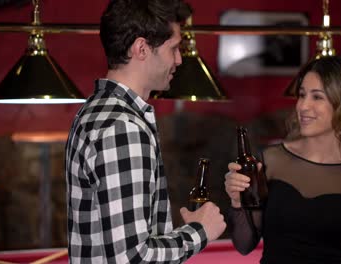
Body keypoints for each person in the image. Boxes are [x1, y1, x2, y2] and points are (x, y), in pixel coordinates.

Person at [65, 0, 226, 263]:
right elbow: (132, 257)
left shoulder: (95, 111)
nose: (179, 59)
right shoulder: (122, 128)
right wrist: (200, 231)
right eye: (173, 48)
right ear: (141, 48)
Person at [225, 55, 341, 263]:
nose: (303, 106)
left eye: (317, 97)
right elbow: (244, 245)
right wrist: (237, 202)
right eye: (302, 95)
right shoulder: (271, 160)